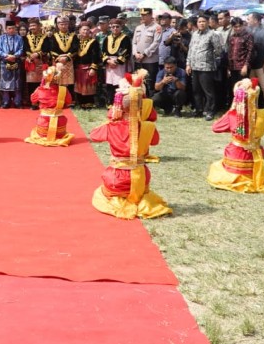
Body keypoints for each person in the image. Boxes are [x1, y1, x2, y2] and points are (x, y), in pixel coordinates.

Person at [89, 72, 171, 219]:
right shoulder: (148, 127)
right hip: (140, 178)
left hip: (117, 179)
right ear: (142, 106)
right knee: (142, 190)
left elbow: (94, 135)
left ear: (119, 105)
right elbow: (155, 141)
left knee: (100, 193)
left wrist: (114, 116)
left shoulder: (111, 127)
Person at [207, 78, 264, 193]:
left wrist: (231, 110)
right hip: (255, 158)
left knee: (215, 168)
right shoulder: (263, 115)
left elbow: (216, 128)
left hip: (237, 155)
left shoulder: (233, 115)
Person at [25, 64, 74, 147]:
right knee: (60, 128)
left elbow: (33, 101)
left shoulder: (39, 90)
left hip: (44, 125)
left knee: (39, 127)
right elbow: (68, 102)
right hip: (60, 127)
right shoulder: (64, 90)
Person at [186, 15, 221, 120]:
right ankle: (198, 110)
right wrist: (188, 64)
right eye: (199, 21)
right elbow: (190, 50)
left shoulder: (212, 34)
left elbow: (218, 50)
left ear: (208, 23)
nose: (201, 23)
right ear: (197, 23)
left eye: (204, 21)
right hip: (195, 67)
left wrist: (209, 58)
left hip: (206, 67)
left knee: (208, 91)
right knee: (196, 91)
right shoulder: (194, 34)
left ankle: (210, 111)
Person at [246, 12, 264, 113]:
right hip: (251, 63)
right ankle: (253, 106)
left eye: (249, 18)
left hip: (261, 62)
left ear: (256, 20)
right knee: (252, 86)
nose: (247, 20)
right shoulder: (248, 30)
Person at [132, 8, 162, 97]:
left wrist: (144, 54)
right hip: (138, 60)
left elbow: (156, 42)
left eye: (145, 15)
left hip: (150, 60)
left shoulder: (156, 27)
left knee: (150, 81)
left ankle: (150, 102)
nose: (142, 17)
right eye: (141, 15)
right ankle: (140, 100)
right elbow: (134, 42)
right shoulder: (138, 28)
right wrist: (135, 53)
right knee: (139, 81)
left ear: (150, 15)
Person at [101, 18, 131, 106]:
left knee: (119, 83)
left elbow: (126, 51)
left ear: (121, 27)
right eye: (113, 27)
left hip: (119, 64)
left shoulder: (125, 38)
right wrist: (108, 61)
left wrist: (116, 62)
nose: (115, 29)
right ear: (110, 28)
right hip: (109, 63)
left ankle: (119, 103)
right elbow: (103, 51)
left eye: (117, 27)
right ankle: (109, 102)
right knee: (109, 83)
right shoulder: (107, 38)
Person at [0, 20, 24, 109]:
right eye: (9, 28)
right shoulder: (1, 38)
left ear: (15, 29)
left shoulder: (19, 38)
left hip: (16, 61)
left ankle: (17, 102)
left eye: (13, 28)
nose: (11, 30)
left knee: (17, 83)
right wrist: (6, 55)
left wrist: (15, 56)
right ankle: (5, 102)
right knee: (5, 82)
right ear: (6, 29)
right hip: (5, 62)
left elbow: (21, 49)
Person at [46, 16, 77, 92]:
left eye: (65, 24)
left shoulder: (73, 36)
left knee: (69, 83)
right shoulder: (54, 36)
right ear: (57, 25)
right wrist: (59, 58)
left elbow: (75, 48)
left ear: (68, 24)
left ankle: (70, 100)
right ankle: (59, 99)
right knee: (58, 81)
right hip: (58, 61)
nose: (63, 26)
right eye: (61, 24)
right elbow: (52, 49)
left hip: (69, 61)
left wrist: (67, 57)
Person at [73, 23, 99, 109]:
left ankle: (89, 103)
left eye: (87, 30)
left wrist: (93, 68)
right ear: (79, 31)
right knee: (79, 85)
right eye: (84, 29)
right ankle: (81, 102)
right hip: (78, 67)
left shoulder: (94, 42)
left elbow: (96, 56)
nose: (86, 31)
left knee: (89, 85)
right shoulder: (76, 41)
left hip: (88, 67)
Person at [23, 18, 47, 108]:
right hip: (31, 62)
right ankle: (33, 102)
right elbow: (25, 49)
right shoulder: (26, 38)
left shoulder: (45, 37)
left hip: (41, 62)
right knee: (31, 83)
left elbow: (46, 49)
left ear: (39, 26)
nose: (32, 27)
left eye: (34, 25)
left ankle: (42, 101)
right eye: (31, 26)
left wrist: (38, 54)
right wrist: (30, 55)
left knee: (42, 82)